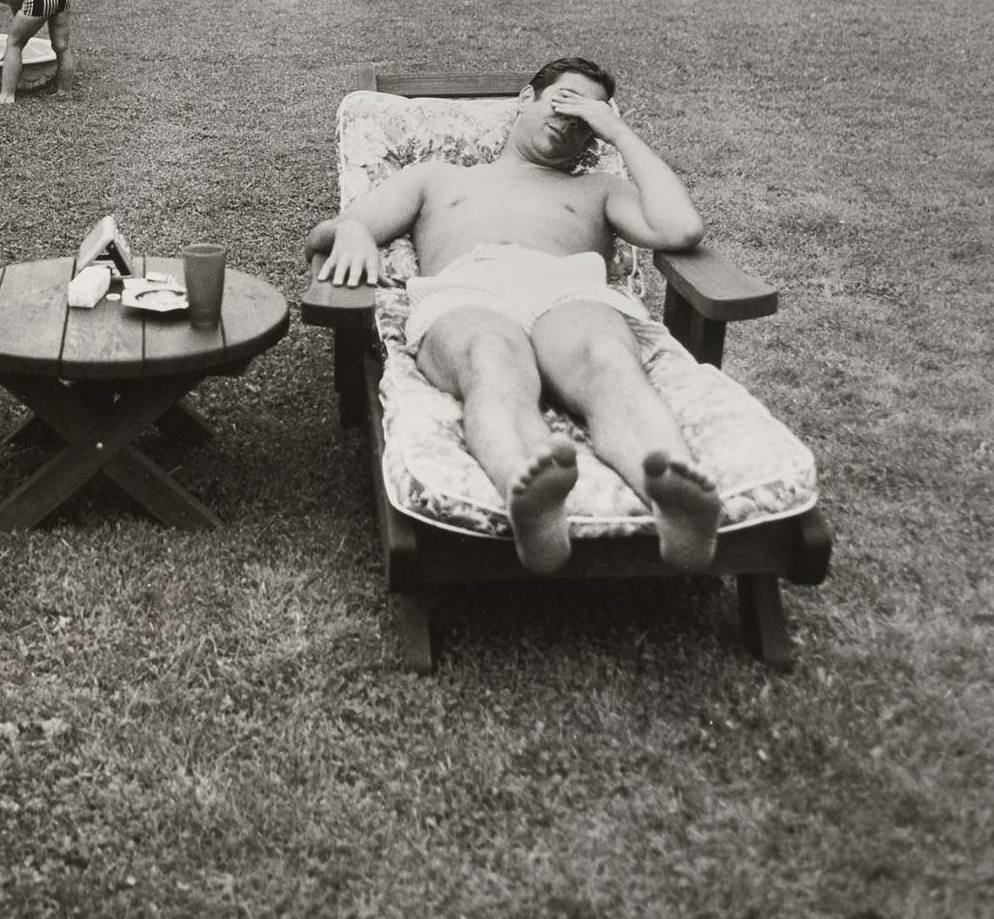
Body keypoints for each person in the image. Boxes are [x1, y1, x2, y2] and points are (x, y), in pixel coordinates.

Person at [306, 56, 721, 576]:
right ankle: (530, 496)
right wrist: (350, 233)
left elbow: (681, 229)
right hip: (467, 290)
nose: (570, 121)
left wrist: (618, 131)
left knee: (608, 359)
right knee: (489, 359)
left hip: (567, 290)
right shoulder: (437, 178)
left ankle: (674, 504)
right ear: (526, 99)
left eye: (586, 117)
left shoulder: (598, 190)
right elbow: (340, 228)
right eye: (563, 101)